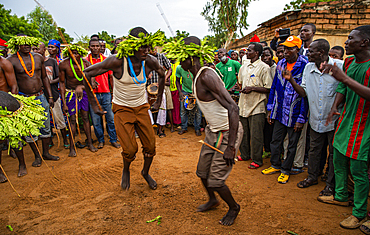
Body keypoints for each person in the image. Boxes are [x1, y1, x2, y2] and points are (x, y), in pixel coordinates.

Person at [163, 36, 243, 226]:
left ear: (191, 57)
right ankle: (213, 200)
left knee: (216, 181)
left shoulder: (207, 76)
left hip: (226, 132)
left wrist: (231, 146)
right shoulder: (198, 75)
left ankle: (233, 207)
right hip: (213, 131)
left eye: (181, 58)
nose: (179, 62)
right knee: (202, 173)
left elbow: (233, 108)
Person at [83, 27, 166, 190]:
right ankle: (126, 170)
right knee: (130, 149)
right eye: (141, 47)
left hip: (142, 107)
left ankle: (145, 172)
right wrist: (93, 103)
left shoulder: (149, 60)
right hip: (122, 109)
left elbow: (162, 74)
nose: (145, 50)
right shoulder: (117, 61)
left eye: (147, 46)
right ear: (131, 46)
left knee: (150, 147)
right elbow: (87, 73)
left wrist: (157, 102)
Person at [318, 25, 370, 230]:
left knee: (358, 170)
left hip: (364, 124)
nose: (346, 42)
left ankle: (358, 213)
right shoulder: (349, 61)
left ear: (364, 42)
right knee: (337, 157)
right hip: (347, 119)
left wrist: (344, 78)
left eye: (350, 38)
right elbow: (343, 86)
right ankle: (340, 195)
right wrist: (335, 106)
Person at [285, 39, 342, 196]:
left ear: (321, 53)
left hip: (334, 120)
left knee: (333, 153)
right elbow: (303, 92)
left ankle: (330, 184)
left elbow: (344, 90)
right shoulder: (308, 68)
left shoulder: (339, 66)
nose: (308, 53)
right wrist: (291, 81)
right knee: (315, 149)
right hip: (316, 118)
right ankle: (312, 177)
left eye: (310, 51)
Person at [262, 36, 309, 184]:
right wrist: (270, 109)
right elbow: (275, 87)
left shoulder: (305, 65)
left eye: (290, 48)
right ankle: (275, 165)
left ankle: (285, 170)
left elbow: (305, 94)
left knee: (291, 144)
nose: (286, 51)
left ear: (298, 49)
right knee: (275, 140)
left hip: (295, 113)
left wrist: (301, 118)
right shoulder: (281, 63)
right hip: (280, 112)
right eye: (285, 48)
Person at [7, 35, 59, 167]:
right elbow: (11, 83)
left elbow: (44, 78)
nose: (27, 46)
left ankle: (46, 153)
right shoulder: (11, 60)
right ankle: (37, 156)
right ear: (17, 44)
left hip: (41, 96)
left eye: (28, 43)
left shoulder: (38, 57)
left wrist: (50, 97)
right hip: (24, 99)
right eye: (23, 44)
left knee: (46, 126)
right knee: (30, 130)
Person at [237, 43, 272, 170]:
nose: (247, 52)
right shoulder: (244, 67)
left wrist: (252, 88)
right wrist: (239, 88)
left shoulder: (264, 68)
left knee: (256, 135)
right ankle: (245, 154)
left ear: (256, 53)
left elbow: (268, 88)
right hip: (243, 105)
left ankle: (257, 159)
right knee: (243, 133)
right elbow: (240, 83)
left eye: (249, 50)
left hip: (257, 106)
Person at [59, 44, 98, 157]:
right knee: (72, 120)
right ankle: (72, 147)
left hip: (84, 93)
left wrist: (82, 87)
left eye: (76, 53)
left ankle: (90, 143)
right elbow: (61, 83)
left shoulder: (86, 63)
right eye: (72, 52)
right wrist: (64, 103)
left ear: (80, 53)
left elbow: (92, 82)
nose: (74, 55)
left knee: (85, 117)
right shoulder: (64, 64)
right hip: (70, 93)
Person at [33, 42, 69, 149]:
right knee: (45, 120)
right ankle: (49, 141)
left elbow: (60, 78)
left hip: (53, 94)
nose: (35, 51)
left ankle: (65, 139)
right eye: (34, 49)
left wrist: (48, 83)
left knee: (59, 118)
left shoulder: (52, 61)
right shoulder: (33, 63)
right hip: (40, 95)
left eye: (38, 49)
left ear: (44, 50)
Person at [87, 38, 120, 149]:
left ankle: (113, 139)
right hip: (93, 94)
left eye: (98, 46)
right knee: (96, 120)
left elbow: (111, 77)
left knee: (110, 117)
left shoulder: (106, 60)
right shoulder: (86, 61)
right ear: (89, 48)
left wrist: (113, 92)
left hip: (106, 92)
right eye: (93, 46)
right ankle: (101, 140)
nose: (96, 48)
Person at [0, 54, 28, 181]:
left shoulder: (4, 63)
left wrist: (13, 107)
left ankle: (22, 164)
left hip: (6, 104)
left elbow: (14, 86)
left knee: (15, 136)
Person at [148, 47, 172, 137]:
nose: (153, 50)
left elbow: (170, 69)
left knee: (162, 108)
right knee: (147, 108)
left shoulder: (161, 57)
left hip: (160, 88)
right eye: (151, 48)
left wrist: (164, 78)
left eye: (154, 48)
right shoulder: (146, 58)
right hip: (148, 87)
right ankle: (149, 129)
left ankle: (160, 129)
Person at [176, 64, 202, 136]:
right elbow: (177, 80)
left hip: (196, 91)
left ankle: (197, 128)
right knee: (183, 111)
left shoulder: (197, 67)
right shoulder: (179, 68)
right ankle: (184, 127)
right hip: (185, 91)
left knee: (198, 111)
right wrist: (180, 92)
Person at [261, 46, 277, 158]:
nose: (265, 58)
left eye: (267, 55)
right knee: (266, 128)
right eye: (263, 56)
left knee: (273, 128)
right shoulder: (262, 68)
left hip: (275, 103)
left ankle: (274, 151)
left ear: (272, 56)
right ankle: (267, 149)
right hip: (264, 102)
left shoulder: (276, 68)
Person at [169, 60, 181, 128]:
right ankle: (174, 121)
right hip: (170, 88)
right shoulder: (169, 64)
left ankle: (178, 122)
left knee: (178, 106)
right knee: (172, 106)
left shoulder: (179, 64)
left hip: (178, 88)